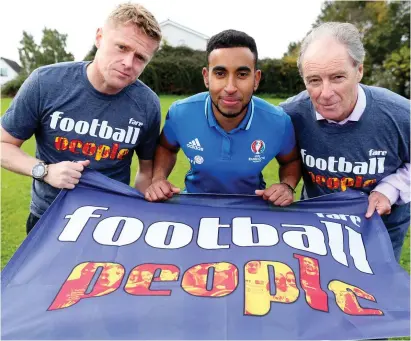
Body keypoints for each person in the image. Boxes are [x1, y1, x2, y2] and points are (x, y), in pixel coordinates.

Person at [1, 3, 162, 234]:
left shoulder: (147, 104)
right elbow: (3, 144)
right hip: (48, 219)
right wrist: (46, 171)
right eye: (121, 47)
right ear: (99, 37)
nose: (128, 62)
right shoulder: (46, 83)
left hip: (110, 223)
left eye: (140, 58)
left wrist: (143, 208)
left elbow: (147, 171)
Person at [280, 22, 410, 262]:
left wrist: (390, 189)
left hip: (379, 235)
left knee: (374, 297)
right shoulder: (289, 115)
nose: (325, 93)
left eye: (337, 77)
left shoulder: (400, 115)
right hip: (316, 231)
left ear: (359, 71)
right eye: (314, 81)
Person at [145, 29, 301, 206]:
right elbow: (166, 147)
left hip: (253, 211)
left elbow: (291, 161)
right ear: (206, 77)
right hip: (194, 208)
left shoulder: (278, 122)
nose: (230, 87)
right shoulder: (180, 113)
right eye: (220, 73)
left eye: (242, 74)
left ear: (256, 79)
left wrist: (286, 185)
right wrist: (158, 178)